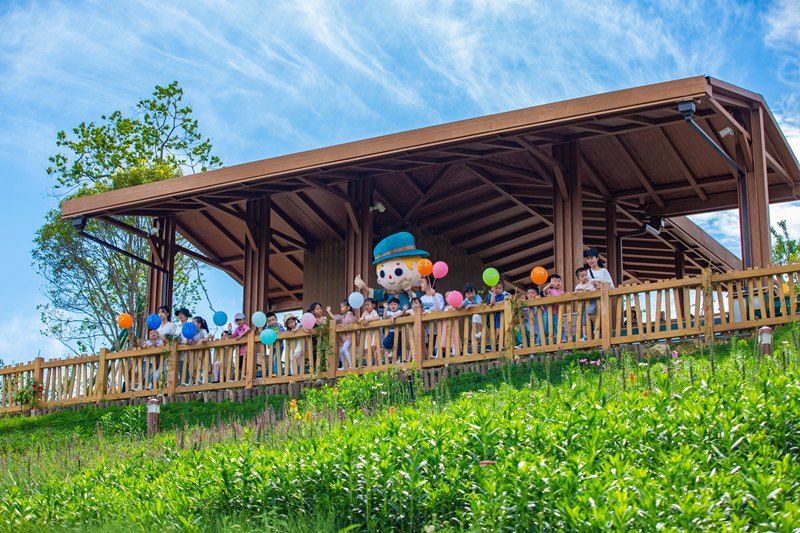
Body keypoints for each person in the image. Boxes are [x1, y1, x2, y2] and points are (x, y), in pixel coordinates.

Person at [327, 300, 356, 370]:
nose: (341, 308)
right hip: (345, 336)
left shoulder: (349, 314)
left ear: (348, 308)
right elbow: (335, 318)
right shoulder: (343, 316)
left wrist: (329, 312)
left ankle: (351, 365)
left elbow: (349, 322)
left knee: (344, 349)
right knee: (341, 351)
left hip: (349, 336)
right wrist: (329, 311)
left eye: (343, 307)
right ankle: (344, 366)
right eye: (341, 307)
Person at [574, 267, 598, 341]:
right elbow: (575, 293)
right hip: (584, 304)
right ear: (579, 278)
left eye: (586, 275)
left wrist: (596, 285)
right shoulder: (578, 286)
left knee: (590, 311)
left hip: (592, 301)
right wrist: (575, 293)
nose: (585, 277)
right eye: (582, 276)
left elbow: (598, 287)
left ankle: (595, 324)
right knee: (583, 320)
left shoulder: (592, 282)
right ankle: (585, 335)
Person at [485, 280, 510, 350]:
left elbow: (506, 301)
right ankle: (494, 347)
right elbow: (492, 302)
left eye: (500, 288)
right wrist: (493, 292)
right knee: (497, 332)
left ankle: (501, 346)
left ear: (503, 289)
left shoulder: (505, 294)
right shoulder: (492, 295)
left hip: (504, 316)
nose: (498, 290)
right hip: (496, 317)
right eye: (496, 288)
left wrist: (496, 303)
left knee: (503, 331)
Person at [543, 274, 566, 344]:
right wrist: (550, 284)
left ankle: (563, 338)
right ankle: (549, 338)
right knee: (547, 326)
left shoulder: (562, 292)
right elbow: (544, 290)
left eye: (559, 281)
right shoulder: (550, 290)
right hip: (548, 312)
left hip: (556, 313)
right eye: (555, 281)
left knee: (558, 325)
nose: (558, 283)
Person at [381, 297, 406, 363]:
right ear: (389, 306)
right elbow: (384, 317)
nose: (393, 306)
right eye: (391, 304)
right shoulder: (389, 312)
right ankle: (392, 350)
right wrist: (385, 308)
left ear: (398, 306)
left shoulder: (399, 311)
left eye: (395, 304)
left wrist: (394, 317)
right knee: (386, 342)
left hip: (400, 331)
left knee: (399, 345)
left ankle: (399, 359)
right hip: (392, 331)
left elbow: (402, 314)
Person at [358, 298, 380, 364]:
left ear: (373, 305)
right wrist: (357, 320)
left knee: (374, 347)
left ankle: (376, 363)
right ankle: (368, 364)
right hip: (367, 333)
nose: (366, 307)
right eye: (365, 305)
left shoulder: (374, 312)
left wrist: (368, 320)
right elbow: (360, 320)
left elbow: (377, 318)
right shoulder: (365, 313)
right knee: (366, 349)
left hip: (374, 332)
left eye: (368, 305)